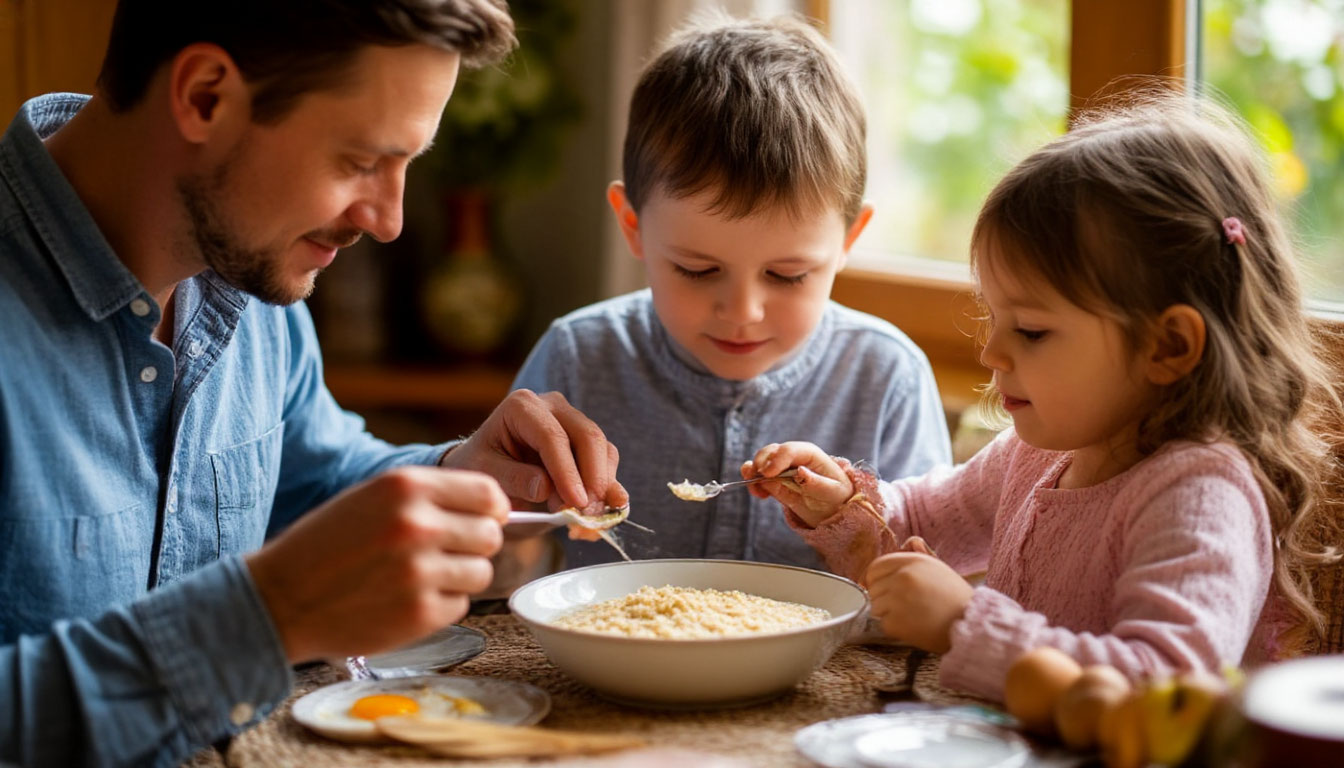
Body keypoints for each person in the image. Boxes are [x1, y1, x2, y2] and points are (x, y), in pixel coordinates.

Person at [0, 2, 627, 765]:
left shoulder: (249, 273)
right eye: (361, 161)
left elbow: (311, 480)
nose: (390, 218)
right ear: (205, 96)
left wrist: (458, 472)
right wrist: (268, 616)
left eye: (409, 164)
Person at [742, 92, 1344, 702]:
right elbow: (926, 523)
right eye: (992, 318)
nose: (992, 353)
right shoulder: (1038, 451)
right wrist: (840, 503)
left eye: (1030, 330)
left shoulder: (1199, 496)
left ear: (1167, 346)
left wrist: (962, 623)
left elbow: (1167, 687)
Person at [511, 13, 951, 570]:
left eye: (788, 275)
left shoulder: (887, 378)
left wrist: (848, 518)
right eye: (697, 270)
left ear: (849, 240)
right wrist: (521, 528)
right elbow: (501, 544)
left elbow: (928, 573)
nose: (743, 313)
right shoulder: (576, 357)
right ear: (632, 227)